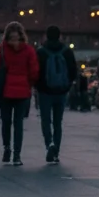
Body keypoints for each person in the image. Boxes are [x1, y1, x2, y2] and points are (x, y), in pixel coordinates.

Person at [0, 21, 39, 166]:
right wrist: (28, 84)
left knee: (6, 122)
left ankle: (7, 148)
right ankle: (17, 155)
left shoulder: (2, 49)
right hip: (23, 92)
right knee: (18, 124)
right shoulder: (29, 50)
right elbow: (34, 71)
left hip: (5, 91)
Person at [35, 25, 76, 164]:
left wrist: (39, 87)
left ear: (46, 36)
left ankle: (49, 145)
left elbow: (36, 73)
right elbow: (73, 72)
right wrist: (66, 87)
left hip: (45, 92)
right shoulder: (67, 52)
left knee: (46, 121)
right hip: (61, 92)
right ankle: (56, 151)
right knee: (58, 122)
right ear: (60, 36)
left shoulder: (41, 52)